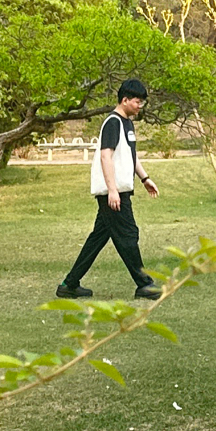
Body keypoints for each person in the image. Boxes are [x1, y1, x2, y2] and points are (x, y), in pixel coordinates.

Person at [55, 78, 162, 301]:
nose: (139, 106)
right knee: (128, 236)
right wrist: (112, 190)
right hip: (114, 193)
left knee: (98, 239)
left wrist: (145, 178)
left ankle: (69, 284)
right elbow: (106, 156)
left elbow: (130, 156)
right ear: (124, 100)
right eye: (136, 101)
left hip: (121, 190)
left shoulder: (128, 123)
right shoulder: (112, 123)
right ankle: (144, 284)